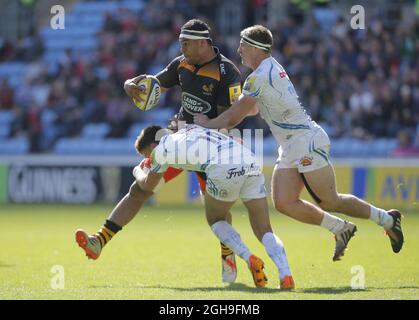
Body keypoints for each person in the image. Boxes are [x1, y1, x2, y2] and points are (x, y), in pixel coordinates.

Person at [194, 25, 404, 261]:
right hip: (291, 144)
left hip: (306, 142)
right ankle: (340, 228)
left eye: (243, 45)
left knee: (330, 201)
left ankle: (387, 219)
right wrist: (232, 108)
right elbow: (250, 108)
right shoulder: (268, 69)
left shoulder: (259, 77)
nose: (238, 49)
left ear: (255, 47)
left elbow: (235, 116)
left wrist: (206, 124)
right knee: (283, 202)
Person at [75, 19, 244, 284]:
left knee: (216, 215)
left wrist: (207, 127)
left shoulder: (227, 73)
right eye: (180, 42)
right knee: (140, 190)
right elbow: (152, 85)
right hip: (179, 142)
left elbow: (233, 117)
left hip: (211, 149)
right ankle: (99, 241)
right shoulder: (181, 64)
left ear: (202, 42)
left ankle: (227, 254)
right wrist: (130, 84)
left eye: (186, 43)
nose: (182, 47)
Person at [77, 124, 295, 289]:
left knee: (216, 220)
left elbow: (147, 184)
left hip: (220, 166)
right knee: (264, 229)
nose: (148, 161)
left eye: (147, 157)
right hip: (246, 157)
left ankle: (247, 258)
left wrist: (138, 170)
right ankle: (286, 274)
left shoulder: (163, 150)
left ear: (153, 146)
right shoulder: (187, 128)